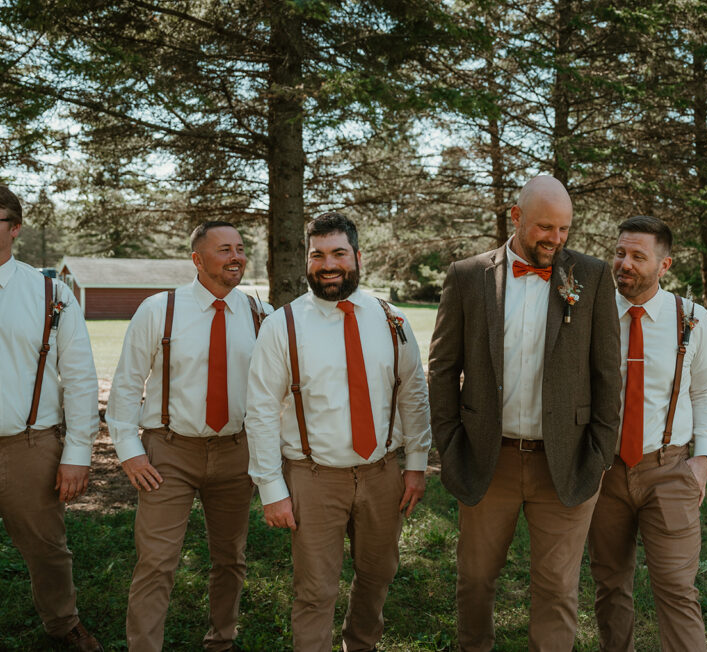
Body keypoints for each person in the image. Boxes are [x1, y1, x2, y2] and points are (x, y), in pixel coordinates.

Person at [428, 174, 621, 651]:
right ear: (516, 218)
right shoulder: (468, 276)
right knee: (475, 582)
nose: (555, 239)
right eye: (544, 228)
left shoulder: (591, 276)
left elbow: (608, 376)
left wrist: (598, 453)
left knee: (557, 590)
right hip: (486, 457)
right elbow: (441, 368)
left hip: (566, 461)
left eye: (563, 229)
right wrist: (452, 446)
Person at [246, 212, 430, 652]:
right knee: (315, 590)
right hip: (313, 477)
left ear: (357, 257)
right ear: (306, 262)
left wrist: (417, 465)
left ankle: (360, 644)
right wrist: (271, 487)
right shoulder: (282, 326)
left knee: (377, 573)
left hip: (381, 472)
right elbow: (261, 411)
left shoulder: (392, 320)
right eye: (318, 255)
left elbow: (414, 394)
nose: (328, 264)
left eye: (338, 253)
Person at [106, 220, 270, 652]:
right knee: (157, 562)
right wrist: (129, 452)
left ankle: (223, 640)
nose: (236, 256)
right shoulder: (159, 310)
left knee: (230, 559)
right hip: (169, 453)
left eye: (239, 247)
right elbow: (126, 384)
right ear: (197, 260)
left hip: (236, 452)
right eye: (223, 249)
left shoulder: (260, 314)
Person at [587, 216, 707, 651]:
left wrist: (702, 460)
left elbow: (706, 393)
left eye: (638, 256)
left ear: (664, 265)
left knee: (678, 590)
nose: (624, 264)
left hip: (669, 469)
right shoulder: (594, 310)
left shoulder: (692, 318)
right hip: (605, 472)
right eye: (620, 253)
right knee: (609, 585)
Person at [0, 185, 103, 651]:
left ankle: (63, 623)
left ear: (15, 229)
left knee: (46, 550)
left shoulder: (50, 293)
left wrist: (77, 453)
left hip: (27, 444)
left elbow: (80, 378)